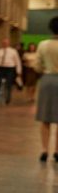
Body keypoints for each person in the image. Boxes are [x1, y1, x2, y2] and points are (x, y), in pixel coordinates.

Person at [33, 19, 58, 162]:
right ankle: (56, 151)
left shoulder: (43, 45)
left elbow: (37, 66)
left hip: (47, 81)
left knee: (45, 118)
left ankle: (44, 150)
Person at [0, 37, 22, 104]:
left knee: (8, 84)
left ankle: (8, 98)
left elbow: (17, 61)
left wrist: (18, 71)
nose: (5, 44)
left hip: (10, 68)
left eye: (6, 42)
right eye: (4, 43)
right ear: (2, 43)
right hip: (1, 68)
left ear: (8, 43)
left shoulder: (13, 51)